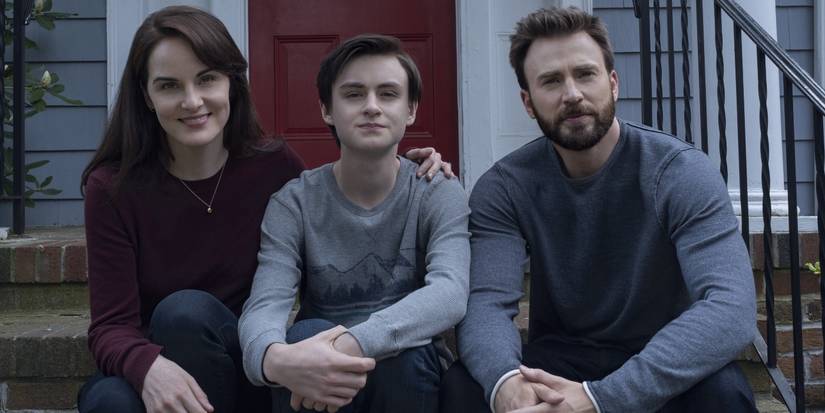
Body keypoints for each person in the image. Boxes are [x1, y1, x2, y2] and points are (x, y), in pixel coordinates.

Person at [77, 7, 451, 413]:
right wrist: (149, 368)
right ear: (147, 96)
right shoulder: (113, 188)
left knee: (193, 314)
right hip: (164, 361)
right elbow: (110, 326)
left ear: (231, 83)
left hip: (251, 361)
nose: (192, 101)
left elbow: (337, 205)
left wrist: (402, 170)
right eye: (169, 86)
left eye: (206, 79)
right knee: (112, 398)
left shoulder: (273, 167)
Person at [440, 6, 757, 413]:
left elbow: (730, 308)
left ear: (613, 83)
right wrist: (508, 385)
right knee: (466, 386)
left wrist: (598, 398)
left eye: (585, 74)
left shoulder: (678, 172)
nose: (572, 94)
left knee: (724, 393)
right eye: (551, 81)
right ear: (528, 102)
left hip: (660, 357)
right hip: (560, 358)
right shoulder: (506, 187)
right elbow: (487, 303)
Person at [238, 34, 471, 413]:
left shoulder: (436, 190)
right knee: (304, 341)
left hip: (406, 377)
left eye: (388, 94)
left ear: (411, 110)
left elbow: (450, 292)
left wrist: (353, 343)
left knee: (404, 355)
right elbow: (266, 302)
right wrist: (272, 358)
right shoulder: (293, 203)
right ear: (327, 109)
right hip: (314, 376)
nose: (372, 107)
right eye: (353, 94)